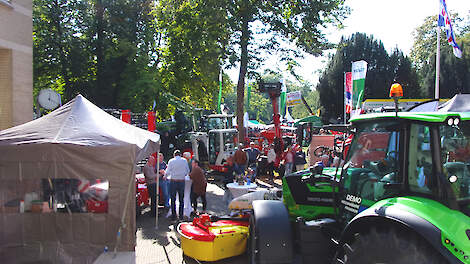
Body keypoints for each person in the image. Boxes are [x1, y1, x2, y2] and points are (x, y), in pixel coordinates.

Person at [165, 150, 190, 220]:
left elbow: (167, 172)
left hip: (173, 181)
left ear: (174, 155)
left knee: (173, 199)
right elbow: (187, 171)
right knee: (181, 199)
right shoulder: (184, 161)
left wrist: (166, 175)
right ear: (180, 154)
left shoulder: (171, 161)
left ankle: (174, 216)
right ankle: (181, 216)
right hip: (181, 181)